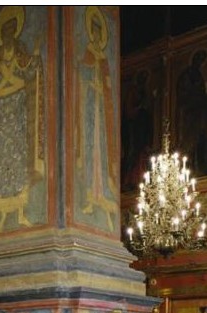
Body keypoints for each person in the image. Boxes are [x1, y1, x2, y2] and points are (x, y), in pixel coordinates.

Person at [0, 6, 44, 232]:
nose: (8, 35)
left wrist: (36, 56)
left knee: (18, 163)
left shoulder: (20, 51)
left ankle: (21, 214)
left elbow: (29, 72)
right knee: (1, 166)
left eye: (11, 30)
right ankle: (3, 219)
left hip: (16, 109)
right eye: (5, 31)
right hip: (0, 111)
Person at [77, 6, 118, 231]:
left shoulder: (103, 57)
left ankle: (100, 195)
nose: (94, 35)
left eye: (97, 31)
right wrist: (87, 78)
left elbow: (109, 85)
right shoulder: (89, 52)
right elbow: (81, 72)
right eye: (92, 31)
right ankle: (90, 198)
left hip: (100, 112)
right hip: (89, 107)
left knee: (99, 153)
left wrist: (103, 88)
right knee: (89, 152)